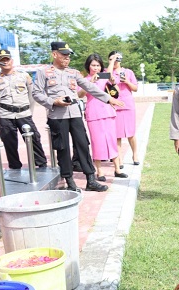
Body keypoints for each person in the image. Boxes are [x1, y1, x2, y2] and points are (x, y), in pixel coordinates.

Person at [32, 42, 122, 192]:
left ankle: (91, 179)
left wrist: (108, 99)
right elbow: (36, 93)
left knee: (82, 145)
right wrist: (53, 101)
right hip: (57, 115)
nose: (67, 58)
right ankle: (69, 181)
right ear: (55, 54)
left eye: (68, 55)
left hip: (74, 114)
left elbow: (90, 87)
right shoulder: (43, 73)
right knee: (63, 148)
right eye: (64, 55)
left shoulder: (74, 73)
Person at [0, 48, 48, 169]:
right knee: (9, 142)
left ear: (11, 60)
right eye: (2, 60)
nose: (5, 62)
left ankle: (41, 163)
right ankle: (15, 166)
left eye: (7, 59)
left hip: (24, 113)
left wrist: (29, 111)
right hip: (6, 115)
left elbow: (31, 95)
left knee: (34, 139)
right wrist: (1, 112)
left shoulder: (23, 75)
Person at [77, 53, 127, 182]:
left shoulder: (103, 76)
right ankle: (99, 171)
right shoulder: (83, 79)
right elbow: (80, 94)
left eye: (98, 65)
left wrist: (112, 61)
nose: (96, 68)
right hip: (93, 113)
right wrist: (90, 83)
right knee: (97, 142)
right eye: (93, 65)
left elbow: (110, 74)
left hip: (108, 112)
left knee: (112, 140)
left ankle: (117, 169)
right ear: (88, 66)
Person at [108, 51, 139, 167]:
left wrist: (126, 81)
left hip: (128, 105)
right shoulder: (108, 72)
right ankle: (119, 159)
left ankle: (135, 154)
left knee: (131, 133)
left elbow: (135, 88)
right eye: (112, 59)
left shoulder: (128, 72)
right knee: (117, 135)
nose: (115, 61)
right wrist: (112, 62)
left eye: (117, 59)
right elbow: (108, 78)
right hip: (115, 105)